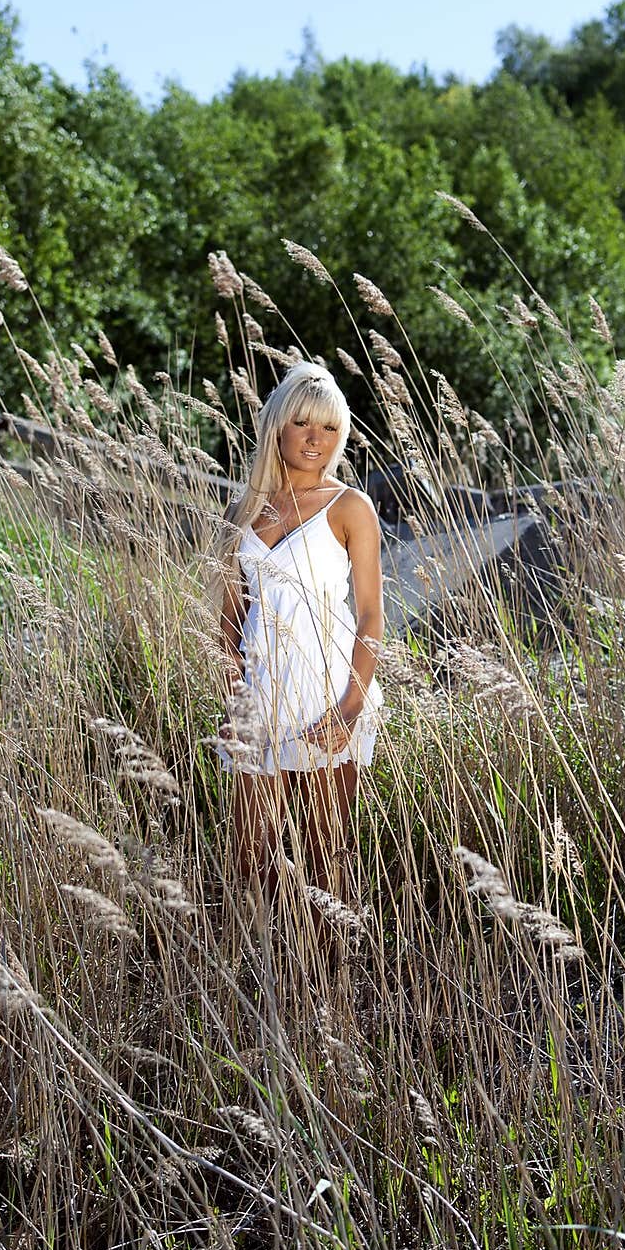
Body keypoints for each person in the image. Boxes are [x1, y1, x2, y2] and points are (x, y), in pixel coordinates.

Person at [211, 361, 385, 907]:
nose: (316, 439)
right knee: (249, 856)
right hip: (261, 696)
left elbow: (372, 617)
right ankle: (280, 971)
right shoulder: (245, 510)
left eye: (330, 428)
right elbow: (229, 623)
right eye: (304, 423)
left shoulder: (350, 507)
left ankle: (328, 975)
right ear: (278, 426)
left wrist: (350, 707)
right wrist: (234, 701)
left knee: (324, 855)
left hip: (327, 696)